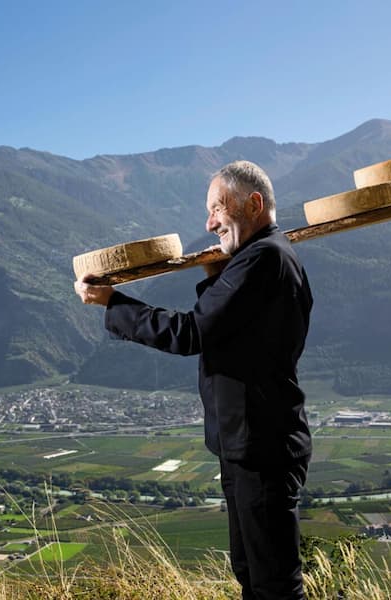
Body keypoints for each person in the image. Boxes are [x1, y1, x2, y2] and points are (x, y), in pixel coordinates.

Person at [75, 160, 313, 599]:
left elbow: (190, 333)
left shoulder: (264, 258)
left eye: (217, 209)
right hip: (248, 444)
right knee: (251, 571)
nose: (209, 223)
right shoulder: (260, 257)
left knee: (275, 585)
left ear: (254, 203)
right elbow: (231, 328)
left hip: (263, 447)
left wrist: (112, 304)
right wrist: (214, 277)